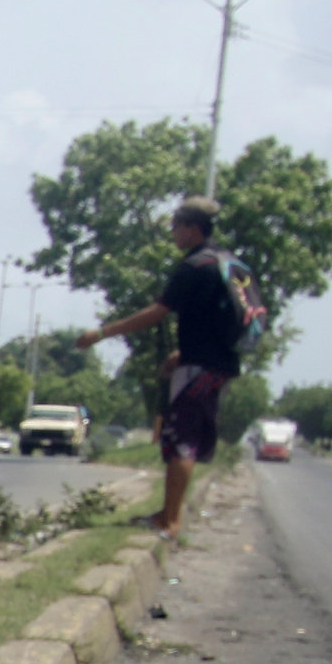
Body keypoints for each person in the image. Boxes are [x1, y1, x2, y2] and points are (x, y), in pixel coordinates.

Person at [80, 196, 253, 537]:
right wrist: (181, 351)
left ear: (191, 229)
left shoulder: (194, 267)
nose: (173, 234)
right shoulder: (229, 264)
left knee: (181, 441)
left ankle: (170, 521)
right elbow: (213, 319)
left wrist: (101, 333)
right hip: (220, 365)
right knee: (189, 436)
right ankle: (169, 513)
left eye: (176, 227)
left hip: (197, 369)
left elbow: (158, 312)